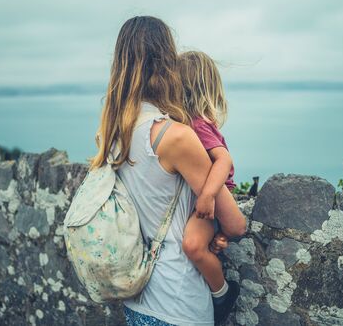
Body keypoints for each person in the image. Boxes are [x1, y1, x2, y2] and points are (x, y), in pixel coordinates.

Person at [89, 16, 246, 326]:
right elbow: (236, 224)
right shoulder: (175, 136)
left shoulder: (111, 134)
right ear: (166, 64)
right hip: (178, 304)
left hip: (137, 301)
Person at [178, 51, 242, 323]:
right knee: (206, 242)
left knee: (193, 246)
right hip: (206, 198)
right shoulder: (186, 123)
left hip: (212, 198)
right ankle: (220, 237)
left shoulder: (196, 124)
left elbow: (223, 159)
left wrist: (207, 195)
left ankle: (222, 294)